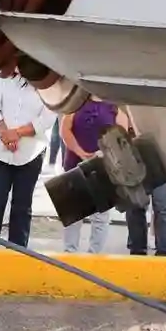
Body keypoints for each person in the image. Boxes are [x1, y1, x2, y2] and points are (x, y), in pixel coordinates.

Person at [0, 72, 55, 248]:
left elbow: (46, 120)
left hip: (30, 153)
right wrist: (5, 133)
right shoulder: (6, 79)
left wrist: (16, 133)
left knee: (22, 204)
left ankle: (18, 253)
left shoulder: (48, 86)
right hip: (1, 149)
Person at [59, 99, 126, 254]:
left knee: (100, 216)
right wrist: (79, 151)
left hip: (103, 168)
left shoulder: (115, 109)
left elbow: (121, 138)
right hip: (74, 166)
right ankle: (69, 253)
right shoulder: (76, 103)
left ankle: (95, 255)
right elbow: (64, 130)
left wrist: (104, 153)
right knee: (73, 214)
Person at [127, 182, 166, 256]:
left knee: (164, 210)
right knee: (135, 208)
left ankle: (165, 253)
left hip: (163, 172)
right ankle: (137, 252)